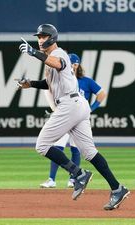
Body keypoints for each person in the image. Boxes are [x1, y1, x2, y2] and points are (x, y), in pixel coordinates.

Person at [17, 24, 130, 210]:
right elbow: (50, 82)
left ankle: (78, 174)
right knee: (90, 152)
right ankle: (117, 188)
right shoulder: (52, 57)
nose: (40, 40)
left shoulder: (59, 54)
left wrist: (32, 52)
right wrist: (31, 84)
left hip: (69, 105)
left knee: (42, 145)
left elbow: (58, 64)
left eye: (44, 36)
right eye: (39, 37)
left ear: (52, 38)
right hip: (78, 105)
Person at [39, 53, 107, 189]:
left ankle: (73, 178)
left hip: (78, 116)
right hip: (64, 116)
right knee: (57, 147)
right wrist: (55, 110)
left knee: (77, 150)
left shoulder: (85, 81)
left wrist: (91, 108)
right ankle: (52, 179)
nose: (74, 66)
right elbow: (47, 89)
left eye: (76, 64)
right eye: (72, 64)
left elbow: (101, 94)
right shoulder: (59, 79)